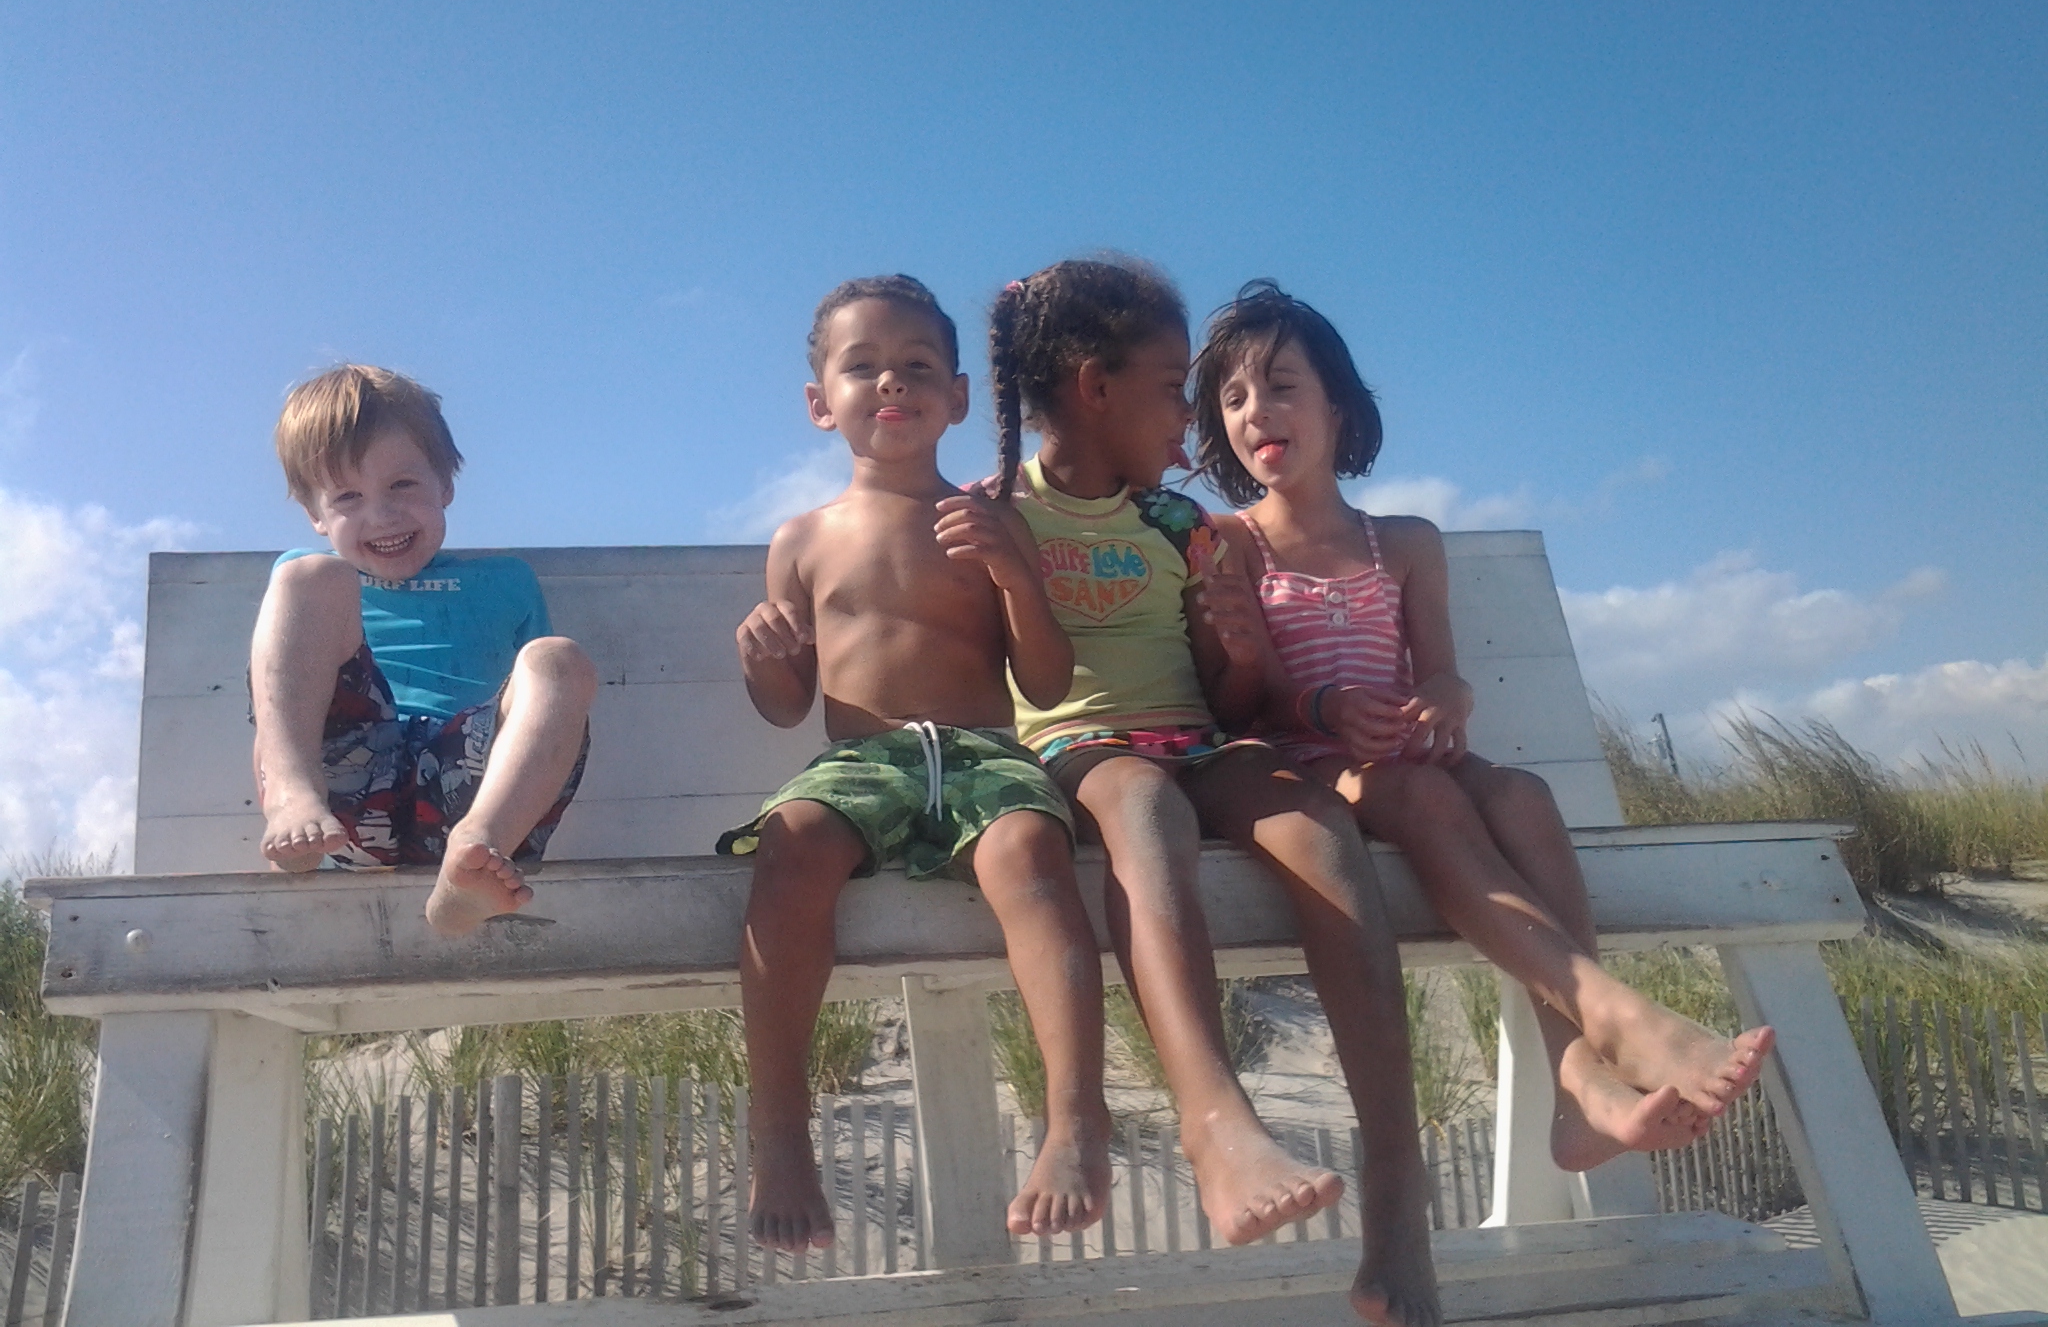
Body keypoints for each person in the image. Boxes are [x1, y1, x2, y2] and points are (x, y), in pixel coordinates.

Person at [1192, 280, 1775, 1170]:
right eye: (1233, 398)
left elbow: (1439, 668)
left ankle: (1578, 1087)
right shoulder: (1230, 542)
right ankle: (1613, 1014)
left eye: (1280, 386)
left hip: (1405, 753)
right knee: (1423, 795)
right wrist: (1328, 708)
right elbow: (1249, 700)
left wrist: (1449, 699)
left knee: (1524, 793)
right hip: (1311, 769)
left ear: (1337, 406)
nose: (1255, 410)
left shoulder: (1405, 541)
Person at [987, 259, 1439, 1327]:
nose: (1187, 419)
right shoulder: (1000, 515)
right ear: (1094, 388)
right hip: (1083, 750)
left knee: (1320, 829)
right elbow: (994, 683)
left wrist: (1235, 650)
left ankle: (1396, 1203)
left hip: (1199, 741)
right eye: (1168, 389)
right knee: (1147, 809)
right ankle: (1211, 1117)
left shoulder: (1181, 523)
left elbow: (1237, 702)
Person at [719, 274, 1110, 1254]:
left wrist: (1015, 575)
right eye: (863, 367)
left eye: (917, 366)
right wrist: (764, 658)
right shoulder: (801, 540)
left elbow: (1047, 680)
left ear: (959, 397)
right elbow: (788, 706)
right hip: (863, 760)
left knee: (1032, 855)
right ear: (821, 404)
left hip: (983, 754)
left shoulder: (992, 521)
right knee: (790, 845)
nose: (891, 381)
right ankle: (780, 1131)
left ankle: (1073, 1120)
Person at [250, 364, 596, 937]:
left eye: (403, 485)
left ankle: (473, 860)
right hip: (342, 797)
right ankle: (292, 794)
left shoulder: (507, 582)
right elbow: (276, 702)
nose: (381, 516)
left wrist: (482, 828)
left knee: (557, 660)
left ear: (445, 483)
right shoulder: (311, 583)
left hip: (467, 789)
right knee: (307, 576)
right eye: (348, 496)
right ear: (315, 514)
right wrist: (282, 791)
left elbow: (543, 721)